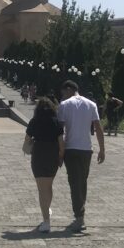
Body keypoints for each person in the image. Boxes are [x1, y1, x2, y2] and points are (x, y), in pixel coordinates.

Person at [57, 80, 105, 231]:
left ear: (69, 89)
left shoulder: (64, 105)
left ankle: (79, 217)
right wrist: (102, 149)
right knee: (82, 181)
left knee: (75, 183)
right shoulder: (91, 104)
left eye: (63, 92)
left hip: (71, 149)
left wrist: (60, 153)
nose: (63, 96)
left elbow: (60, 131)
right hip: (86, 149)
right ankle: (80, 214)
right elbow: (98, 127)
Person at [25, 97, 65, 232]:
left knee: (42, 189)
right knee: (48, 186)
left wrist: (30, 146)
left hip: (39, 156)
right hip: (52, 156)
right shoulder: (56, 122)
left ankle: (46, 221)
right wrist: (60, 157)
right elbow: (61, 143)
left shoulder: (34, 122)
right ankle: (47, 210)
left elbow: (26, 145)